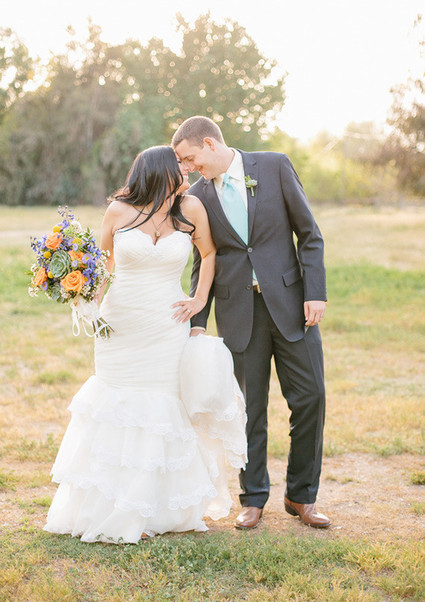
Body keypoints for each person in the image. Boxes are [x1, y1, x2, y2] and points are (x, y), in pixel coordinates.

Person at [44, 145, 247, 543]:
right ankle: (107, 504)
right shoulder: (118, 211)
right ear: (158, 172)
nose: (186, 171)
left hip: (168, 324)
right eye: (178, 166)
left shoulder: (190, 208)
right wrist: (90, 304)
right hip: (121, 324)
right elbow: (103, 263)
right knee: (117, 403)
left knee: (162, 405)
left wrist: (199, 299)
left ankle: (159, 507)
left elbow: (209, 254)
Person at [172, 117, 330, 530]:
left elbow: (309, 234)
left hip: (292, 305)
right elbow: (203, 261)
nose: (188, 167)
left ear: (210, 143)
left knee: (310, 397)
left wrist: (315, 291)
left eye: (190, 158)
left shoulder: (274, 166)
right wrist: (198, 321)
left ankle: (302, 495)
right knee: (248, 408)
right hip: (238, 313)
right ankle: (253, 497)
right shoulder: (197, 197)